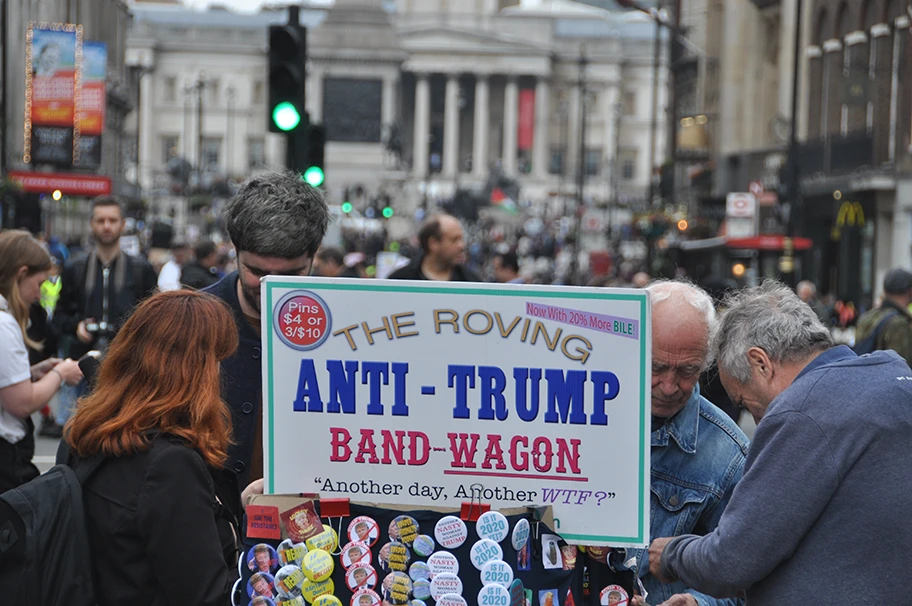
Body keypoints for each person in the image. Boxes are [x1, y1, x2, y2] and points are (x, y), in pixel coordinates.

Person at [648, 281, 912, 603]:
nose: (758, 422)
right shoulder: (894, 379)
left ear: (761, 363)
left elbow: (734, 559)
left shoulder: (804, 411)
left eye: (745, 402)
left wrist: (672, 554)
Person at [64, 290, 263, 605]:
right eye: (217, 360)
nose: (220, 373)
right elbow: (207, 594)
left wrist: (236, 507)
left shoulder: (88, 430)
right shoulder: (170, 465)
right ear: (193, 372)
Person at [204, 172, 330, 486]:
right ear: (235, 253)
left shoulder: (348, 322)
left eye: (291, 274)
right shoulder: (194, 322)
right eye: (257, 272)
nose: (270, 287)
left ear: (313, 258)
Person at [630, 281, 748, 606]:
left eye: (687, 371)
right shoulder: (574, 422)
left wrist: (698, 602)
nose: (669, 386)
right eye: (656, 367)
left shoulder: (729, 456)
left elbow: (745, 576)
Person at [53, 196, 158, 425]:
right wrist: (76, 326)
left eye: (112, 220)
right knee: (78, 433)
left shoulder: (141, 269)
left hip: (127, 367)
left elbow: (154, 320)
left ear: (122, 224)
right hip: (82, 366)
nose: (106, 226)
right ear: (92, 224)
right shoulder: (75, 268)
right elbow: (58, 317)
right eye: (101, 220)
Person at [0, 231, 83, 493]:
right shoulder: (4, 325)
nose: (39, 294)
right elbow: (21, 403)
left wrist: (34, 372)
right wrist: (60, 374)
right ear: (21, 273)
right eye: (39, 283)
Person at [388, 213, 481, 281]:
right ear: (433, 243)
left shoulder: (471, 282)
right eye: (454, 240)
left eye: (461, 239)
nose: (461, 246)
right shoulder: (401, 280)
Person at [853, 268, 912, 363]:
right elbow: (902, 365)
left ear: (885, 290)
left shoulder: (866, 317)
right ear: (910, 291)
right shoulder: (898, 323)